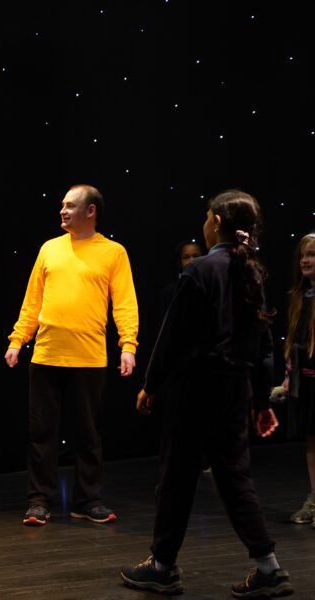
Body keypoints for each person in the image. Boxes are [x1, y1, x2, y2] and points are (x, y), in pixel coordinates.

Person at [120, 190, 293, 598]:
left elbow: (172, 336)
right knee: (234, 477)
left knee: (176, 476)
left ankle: (162, 566)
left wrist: (151, 384)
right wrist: (260, 401)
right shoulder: (251, 270)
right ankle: (268, 568)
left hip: (195, 388)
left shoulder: (200, 270)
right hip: (234, 389)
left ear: (215, 220)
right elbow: (262, 345)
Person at [5, 184, 139, 526]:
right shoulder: (49, 249)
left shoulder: (113, 252)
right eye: (61, 205)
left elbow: (124, 303)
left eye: (70, 206)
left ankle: (87, 500)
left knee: (88, 434)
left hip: (89, 358)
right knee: (41, 433)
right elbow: (32, 300)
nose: (62, 211)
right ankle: (39, 500)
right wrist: (18, 340)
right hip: (48, 355)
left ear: (90, 210)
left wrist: (128, 345)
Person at [283, 232, 315, 526]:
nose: (306, 260)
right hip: (306, 381)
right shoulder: (300, 297)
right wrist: (286, 378)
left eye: (313, 255)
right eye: (304, 255)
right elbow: (296, 343)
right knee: (311, 439)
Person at [160, 240, 203, 316]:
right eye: (186, 257)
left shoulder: (211, 285)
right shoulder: (170, 290)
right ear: (179, 262)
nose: (191, 261)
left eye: (196, 256)